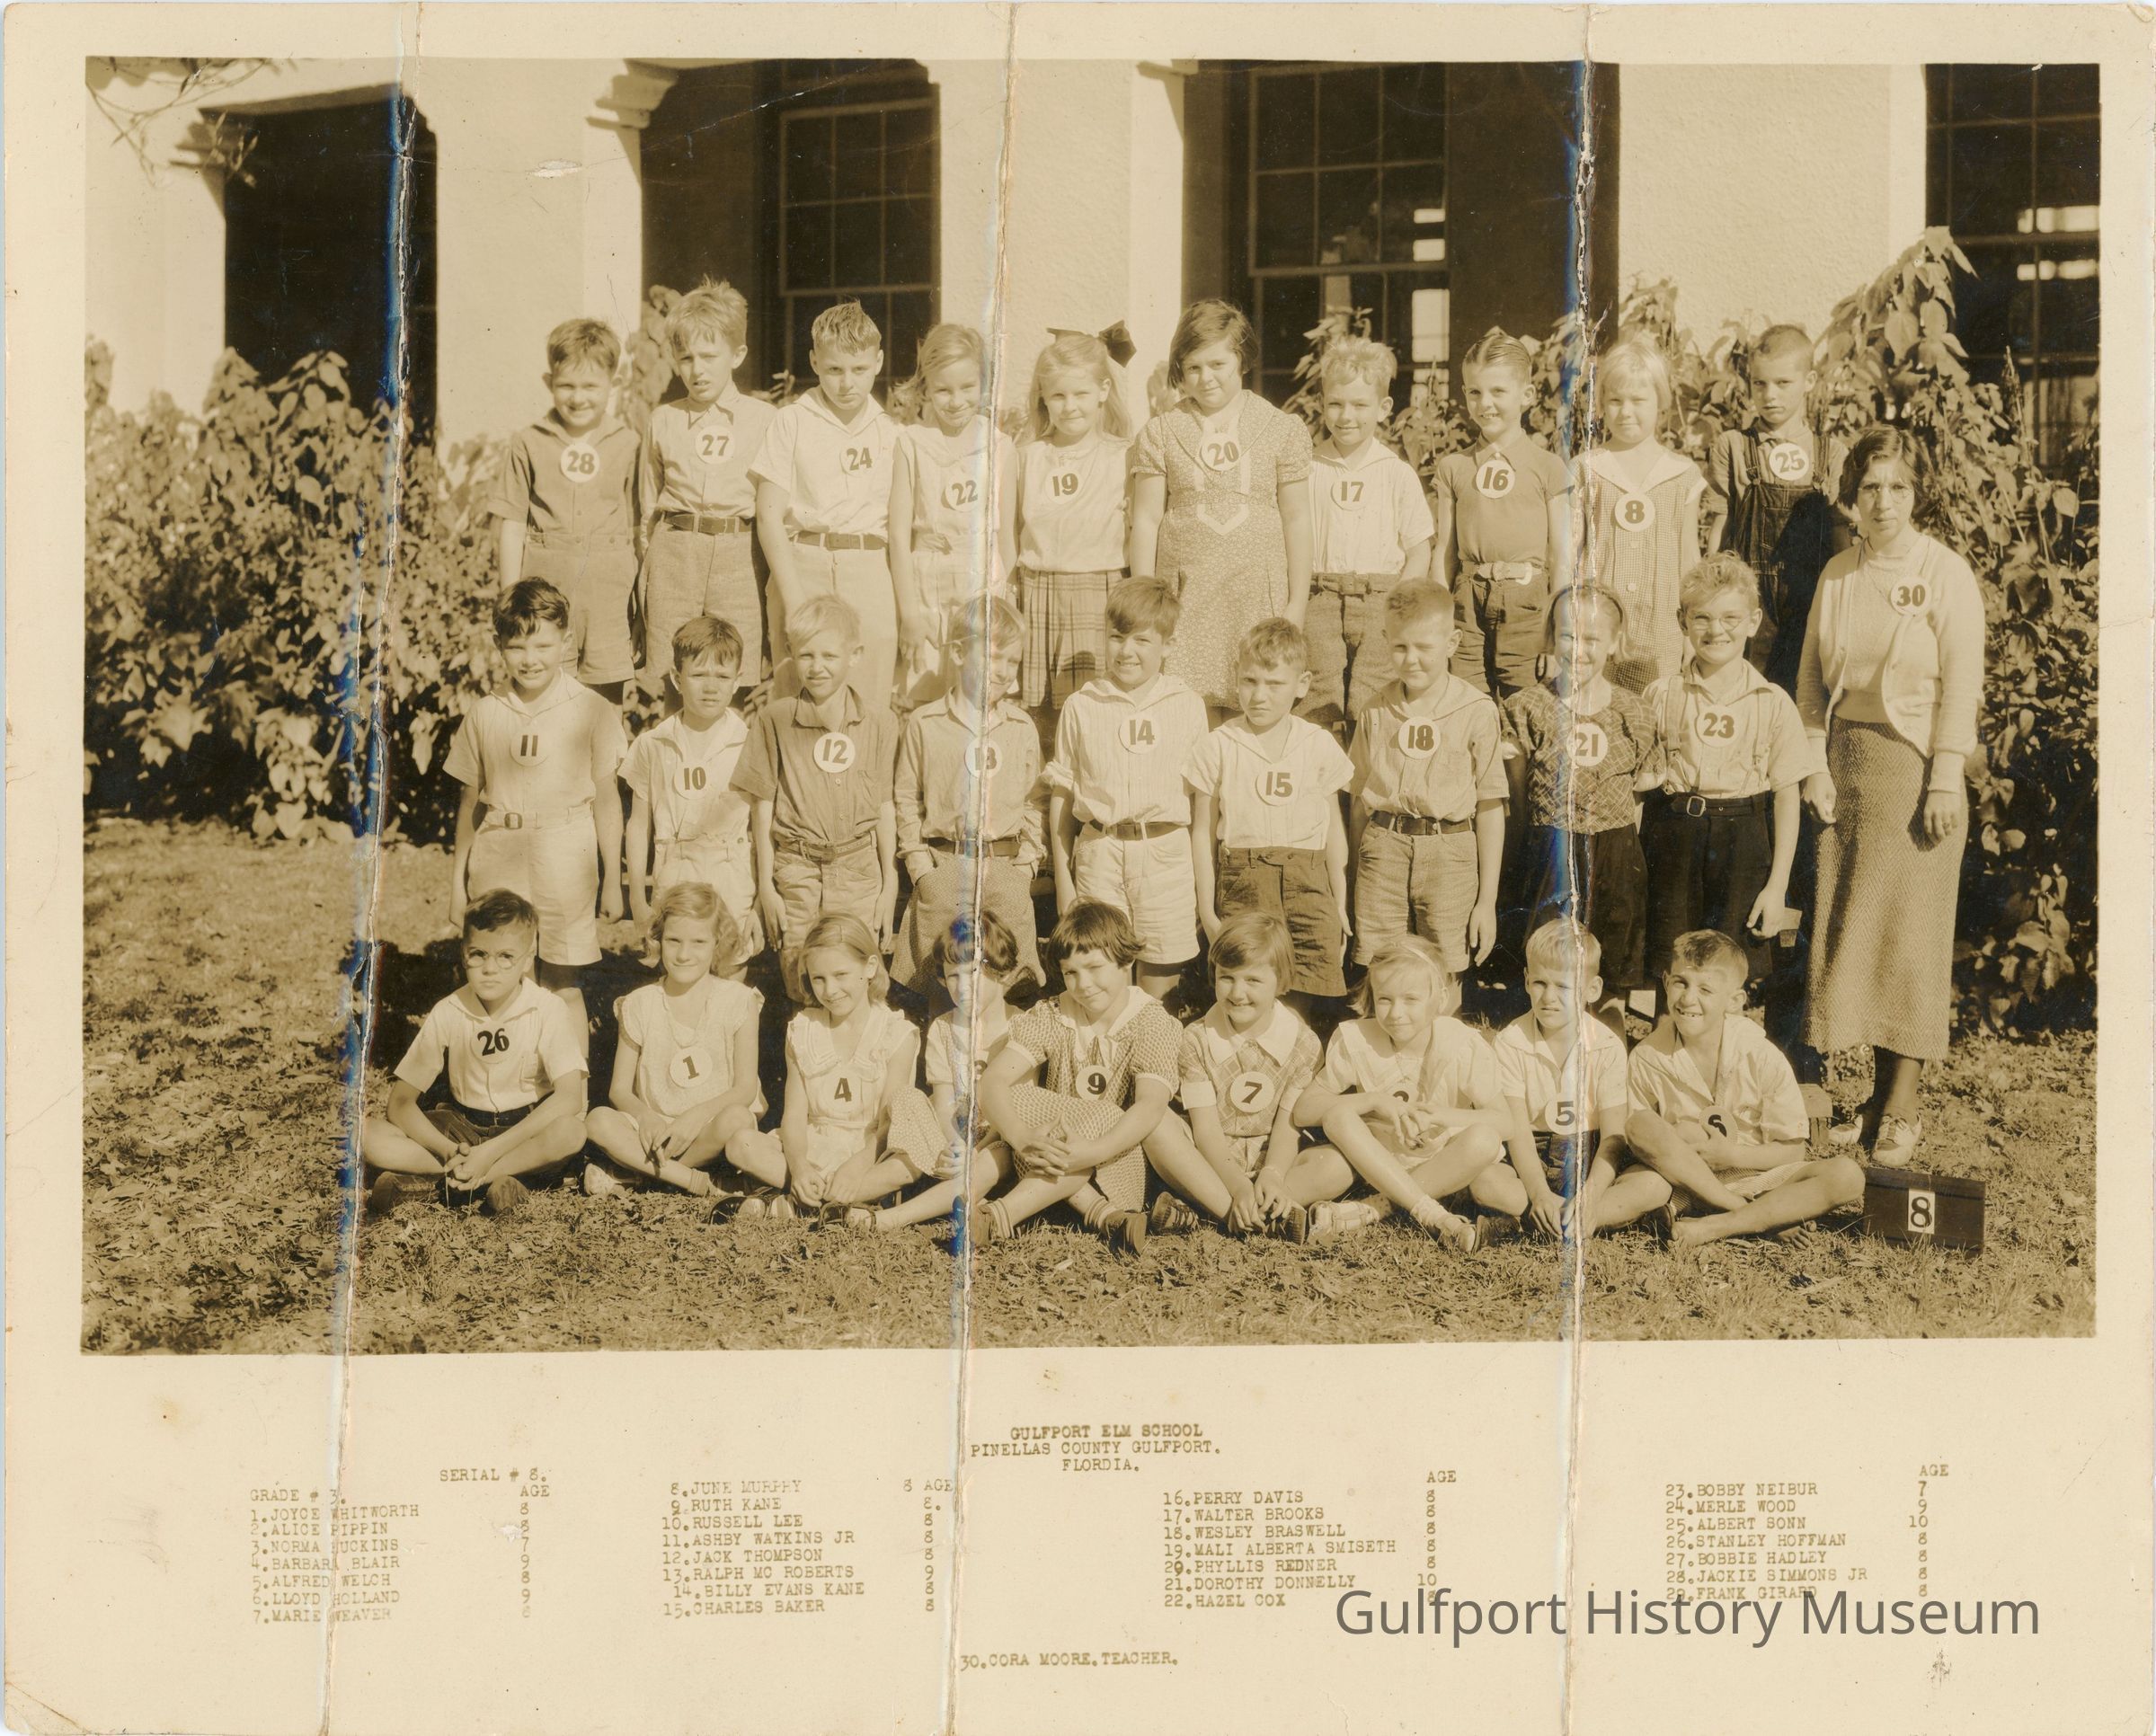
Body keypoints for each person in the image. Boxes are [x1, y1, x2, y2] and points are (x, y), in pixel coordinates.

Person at [1796, 423, 1983, 1161]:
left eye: (1898, 486)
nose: (1883, 501)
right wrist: (1814, 765)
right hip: (1847, 764)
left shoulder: (1945, 572)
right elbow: (1810, 682)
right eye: (1870, 486)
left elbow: (1962, 683)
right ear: (1851, 495)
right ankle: (1872, 1100)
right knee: (1858, 930)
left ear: (1917, 493)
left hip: (1915, 771)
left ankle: (1902, 1105)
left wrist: (1944, 776)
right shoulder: (1838, 573)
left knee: (1909, 934)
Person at [445, 580, 626, 1037]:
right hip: (499, 851)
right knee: (505, 977)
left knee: (562, 980)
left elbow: (607, 800)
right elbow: (469, 805)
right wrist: (457, 885)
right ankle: (511, 1076)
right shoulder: (485, 713)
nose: (530, 659)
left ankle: (569, 1080)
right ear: (499, 646)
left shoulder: (592, 710)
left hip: (566, 852)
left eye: (543, 645)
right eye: (517, 647)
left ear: (566, 641)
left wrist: (612, 880)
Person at [1128, 298, 1314, 713]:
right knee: (1185, 704)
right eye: (1193, 367)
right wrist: (1145, 602)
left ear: (1242, 359)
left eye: (1217, 365)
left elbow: (1297, 517)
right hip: (1187, 594)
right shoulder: (1162, 432)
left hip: (1256, 593)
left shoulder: (1279, 428)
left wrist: (1297, 603)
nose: (1206, 378)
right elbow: (1146, 518)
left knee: (1256, 698)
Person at [1626, 929, 1864, 1246]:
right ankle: (1755, 1216)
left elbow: (1793, 1149)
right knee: (1639, 1126)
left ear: (1735, 1001)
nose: (1688, 999)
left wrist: (1732, 1156)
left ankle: (1719, 1224)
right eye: (1681, 982)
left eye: (1705, 989)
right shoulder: (1647, 1056)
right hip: (1686, 1180)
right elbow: (1646, 1142)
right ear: (1666, 982)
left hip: (1758, 1177)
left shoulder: (1760, 1055)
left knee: (1848, 1176)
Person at [359, 890, 589, 1218]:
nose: (490, 968)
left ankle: (458, 1179)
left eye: (506, 956)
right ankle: (489, 1178)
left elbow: (570, 1097)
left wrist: (491, 1152)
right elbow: (400, 1102)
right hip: (461, 1130)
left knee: (571, 1132)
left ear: (528, 959)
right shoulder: (449, 1010)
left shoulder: (548, 1009)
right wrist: (449, 1150)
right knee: (369, 1135)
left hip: (522, 1130)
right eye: (478, 954)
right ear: (463, 954)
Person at [1640, 554, 1810, 985]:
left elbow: (1786, 797)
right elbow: (1639, 787)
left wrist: (1777, 886)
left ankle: (1728, 1029)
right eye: (1702, 617)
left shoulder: (1773, 702)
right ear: (1682, 622)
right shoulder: (1661, 694)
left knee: (1732, 969)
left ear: (1753, 622)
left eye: (1730, 618)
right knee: (1671, 963)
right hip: (1675, 835)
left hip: (1743, 842)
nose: (1716, 630)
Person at [973, 901, 1181, 1253]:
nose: (1082, 985)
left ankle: (999, 1216)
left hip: (1117, 1158)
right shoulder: (1054, 1015)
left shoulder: (1149, 1021)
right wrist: (1022, 1138)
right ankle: (1107, 1218)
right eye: (1070, 972)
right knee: (1018, 1096)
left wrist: (1093, 1150)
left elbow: (1149, 1107)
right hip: (1052, 1156)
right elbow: (992, 1082)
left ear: (1126, 962)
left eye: (1094, 968)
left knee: (1110, 1116)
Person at [729, 594, 900, 1003]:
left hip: (858, 871)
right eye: (806, 655)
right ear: (792, 654)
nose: (817, 666)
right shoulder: (775, 719)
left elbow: (884, 804)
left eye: (829, 655)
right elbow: (763, 807)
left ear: (854, 655)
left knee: (858, 979)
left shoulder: (880, 721)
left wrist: (890, 882)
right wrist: (767, 888)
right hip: (797, 871)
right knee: (802, 977)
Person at [1046, 578, 1210, 1003]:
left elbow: (1202, 805)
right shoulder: (1083, 705)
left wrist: (1201, 884)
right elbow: (1063, 795)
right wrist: (1064, 881)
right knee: (1101, 980)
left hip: (1165, 856)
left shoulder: (1187, 705)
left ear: (1168, 646)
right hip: (1101, 853)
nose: (1126, 651)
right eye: (1117, 637)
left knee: (1160, 992)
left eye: (1142, 640)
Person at [1503, 585, 1660, 1023]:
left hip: (1615, 854)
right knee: (1548, 961)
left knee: (1609, 972)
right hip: (1549, 851)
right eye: (1569, 636)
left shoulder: (1636, 712)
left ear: (1614, 642)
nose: (1579, 649)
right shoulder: (1528, 707)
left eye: (1592, 638)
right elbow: (1517, 795)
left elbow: (1637, 798)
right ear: (1551, 638)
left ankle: (1609, 1044)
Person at [1295, 934, 1513, 1249]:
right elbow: (1304, 1110)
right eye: (1385, 999)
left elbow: (1506, 1123)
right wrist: (1373, 1100)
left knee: (1485, 1139)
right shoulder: (1357, 1040)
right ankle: (1433, 1215)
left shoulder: (1462, 1044)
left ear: (1440, 999)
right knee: (1338, 1115)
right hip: (1375, 1161)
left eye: (1411, 999)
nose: (1396, 1013)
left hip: (1444, 1162)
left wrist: (1443, 1116)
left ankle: (1378, 1206)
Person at [1184, 617, 1353, 1007]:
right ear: (1236, 676)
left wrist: (1339, 903)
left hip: (1309, 881)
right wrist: (1207, 911)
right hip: (1244, 881)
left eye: (1275, 684)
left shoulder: (1317, 743)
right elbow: (1203, 832)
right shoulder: (1219, 745)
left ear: (1303, 684)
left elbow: (1334, 831)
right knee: (1249, 985)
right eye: (1250, 681)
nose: (1259, 696)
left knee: (1307, 991)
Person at [1140, 915, 1342, 1241]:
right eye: (1227, 977)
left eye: (1253, 980)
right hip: (1212, 1160)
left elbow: (1288, 1126)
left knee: (1338, 1163)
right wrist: (1236, 1185)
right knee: (1156, 1123)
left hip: (1277, 1158)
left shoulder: (1302, 1043)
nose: (1237, 992)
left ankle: (1228, 1207)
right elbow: (1206, 1130)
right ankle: (1242, 1211)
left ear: (1281, 982)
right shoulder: (1196, 1039)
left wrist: (1273, 1174)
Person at [732, 915, 942, 1220]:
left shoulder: (896, 1033)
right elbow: (794, 1115)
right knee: (740, 1144)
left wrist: (856, 1166)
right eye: (819, 978)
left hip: (870, 1150)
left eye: (841, 975)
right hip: (813, 1143)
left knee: (908, 1165)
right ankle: (834, 1203)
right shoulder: (803, 1029)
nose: (830, 990)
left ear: (870, 967)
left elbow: (888, 1125)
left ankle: (797, 1203)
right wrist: (800, 1167)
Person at [1348, 579, 1507, 975]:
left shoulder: (1477, 711)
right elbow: (1358, 799)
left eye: (1424, 647)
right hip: (1383, 850)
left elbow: (1490, 805)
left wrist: (1487, 900)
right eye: (1400, 647)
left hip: (1450, 853)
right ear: (1385, 640)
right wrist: (1356, 872)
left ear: (1452, 644)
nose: (1411, 660)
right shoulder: (1374, 709)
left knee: (1445, 969)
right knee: (1381, 966)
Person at [891, 594, 1046, 997]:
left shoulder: (1020, 727)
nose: (1004, 671)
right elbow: (906, 799)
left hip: (1006, 870)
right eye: (993, 657)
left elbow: (1035, 800)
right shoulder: (925, 724)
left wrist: (1027, 865)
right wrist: (921, 868)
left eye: (1013, 661)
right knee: (942, 985)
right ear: (959, 653)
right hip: (944, 869)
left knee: (1011, 984)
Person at [750, 300, 902, 710]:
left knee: (869, 702)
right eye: (834, 369)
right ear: (814, 362)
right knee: (799, 700)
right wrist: (794, 598)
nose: (847, 383)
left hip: (868, 567)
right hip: (804, 565)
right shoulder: (791, 422)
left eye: (859, 369)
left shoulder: (891, 431)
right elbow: (768, 516)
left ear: (878, 362)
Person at [584, 886, 776, 1200]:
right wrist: (645, 1116)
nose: (684, 954)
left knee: (738, 1119)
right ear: (658, 939)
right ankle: (691, 1180)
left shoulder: (739, 1000)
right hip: (655, 1128)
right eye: (674, 941)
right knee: (598, 1121)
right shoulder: (640, 1003)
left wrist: (695, 1117)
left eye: (698, 942)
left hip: (709, 1125)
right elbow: (619, 1090)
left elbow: (744, 1090)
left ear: (717, 942)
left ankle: (641, 1174)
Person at [635, 279, 776, 695]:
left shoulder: (764, 419)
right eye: (686, 358)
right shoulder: (664, 420)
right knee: (675, 678)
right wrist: (647, 572)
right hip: (675, 554)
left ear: (737, 355)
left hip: (740, 557)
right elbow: (647, 504)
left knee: (731, 681)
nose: (697, 370)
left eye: (710, 357)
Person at [491, 317, 641, 707]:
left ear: (613, 384)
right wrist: (510, 600)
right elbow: (511, 524)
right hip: (546, 588)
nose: (578, 398)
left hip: (608, 594)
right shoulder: (528, 442)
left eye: (591, 386)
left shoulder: (628, 444)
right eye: (566, 386)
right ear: (549, 382)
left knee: (604, 705)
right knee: (545, 697)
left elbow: (638, 525)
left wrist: (641, 604)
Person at [1702, 323, 1850, 695]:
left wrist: (1845, 603)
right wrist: (1711, 591)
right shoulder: (1733, 447)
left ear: (1809, 381)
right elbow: (1721, 524)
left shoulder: (1831, 454)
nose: (1769, 396)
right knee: (1745, 692)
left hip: (1811, 598)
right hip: (1749, 600)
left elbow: (1840, 536)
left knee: (1808, 692)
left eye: (1783, 383)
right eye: (1760, 384)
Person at [1486, 917, 1655, 1237]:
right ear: (1526, 980)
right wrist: (1538, 1191)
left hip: (1588, 1151)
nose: (1549, 997)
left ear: (1592, 990)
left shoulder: (1607, 1045)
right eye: (1540, 983)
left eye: (1563, 986)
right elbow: (1517, 1130)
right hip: (1531, 1153)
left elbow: (1613, 1136)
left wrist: (1590, 1196)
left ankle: (1570, 1216)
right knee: (1486, 1182)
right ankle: (1563, 1215)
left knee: (1653, 1184)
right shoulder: (1510, 1041)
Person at [1302, 336, 1434, 731]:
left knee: (1374, 696)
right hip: (1320, 598)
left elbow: (1419, 548)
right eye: (1336, 404)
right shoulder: (1307, 468)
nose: (1346, 416)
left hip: (1381, 598)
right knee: (1318, 697)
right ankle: (1324, 771)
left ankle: (1369, 771)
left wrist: (1399, 604)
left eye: (1360, 405)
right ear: (1321, 403)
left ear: (1384, 408)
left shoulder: (1396, 473)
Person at [1433, 328, 1573, 699]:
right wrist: (1438, 621)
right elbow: (1445, 551)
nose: (1486, 404)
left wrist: (1557, 632)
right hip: (1467, 601)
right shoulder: (1453, 467)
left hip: (1527, 603)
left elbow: (1561, 555)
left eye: (1498, 391)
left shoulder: (1548, 467)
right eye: (1475, 392)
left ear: (1527, 395)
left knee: (1525, 700)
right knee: (1466, 699)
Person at [1013, 331, 1134, 752]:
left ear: (1103, 390)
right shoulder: (1028, 457)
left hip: (1100, 590)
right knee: (1043, 712)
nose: (1070, 406)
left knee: (1098, 707)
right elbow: (1012, 530)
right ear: (1043, 398)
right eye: (1058, 396)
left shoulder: (1125, 455)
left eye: (1080, 393)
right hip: (1039, 591)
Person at [868, 912, 1024, 1235]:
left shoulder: (1023, 1026)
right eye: (952, 976)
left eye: (973, 973)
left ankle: (895, 1217)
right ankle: (874, 1189)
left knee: (997, 1157)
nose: (962, 986)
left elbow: (1021, 1107)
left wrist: (974, 1153)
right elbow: (943, 1104)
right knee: (907, 1098)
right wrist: (955, 1148)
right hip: (955, 1135)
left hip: (999, 1140)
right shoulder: (943, 1027)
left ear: (1002, 972)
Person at [888, 323, 1017, 708]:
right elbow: (898, 536)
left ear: (983, 384)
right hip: (926, 589)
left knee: (977, 695)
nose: (956, 400)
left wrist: (999, 598)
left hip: (980, 588)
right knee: (924, 696)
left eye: (967, 387)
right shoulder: (911, 444)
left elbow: (1007, 540)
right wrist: (910, 614)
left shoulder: (999, 446)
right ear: (925, 388)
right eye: (943, 390)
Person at [622, 616, 757, 971]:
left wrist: (758, 903)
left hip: (731, 870)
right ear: (677, 678)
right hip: (674, 869)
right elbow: (638, 824)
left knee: (729, 973)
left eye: (722, 677)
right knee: (679, 971)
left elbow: (762, 825)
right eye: (698, 675)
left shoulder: (750, 744)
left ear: (738, 680)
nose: (710, 687)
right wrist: (637, 897)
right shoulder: (653, 744)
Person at [1578, 332, 1708, 693]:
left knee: (1658, 709)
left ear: (1660, 402)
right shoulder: (1587, 469)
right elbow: (1573, 553)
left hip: (1662, 627)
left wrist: (1691, 630)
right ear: (1601, 403)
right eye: (1615, 400)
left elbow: (1688, 557)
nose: (1626, 412)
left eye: (1638, 400)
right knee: (1599, 709)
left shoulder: (1682, 474)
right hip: (1599, 627)